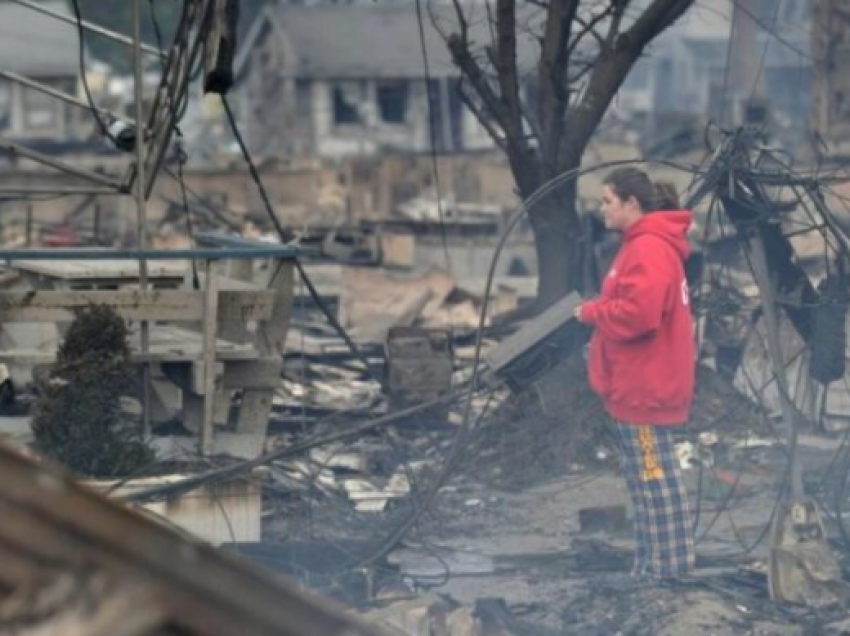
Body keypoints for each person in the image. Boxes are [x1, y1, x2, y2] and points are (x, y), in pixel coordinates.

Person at [575, 167, 696, 583]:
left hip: (644, 386)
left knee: (655, 480)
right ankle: (650, 570)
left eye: (607, 200)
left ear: (632, 204)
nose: (601, 208)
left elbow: (639, 316)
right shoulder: (642, 245)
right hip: (636, 384)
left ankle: (669, 574)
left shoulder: (648, 248)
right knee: (646, 481)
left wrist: (591, 312)